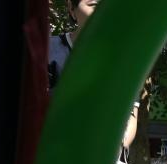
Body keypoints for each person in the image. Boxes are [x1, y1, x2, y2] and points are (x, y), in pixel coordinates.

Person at [48, 1, 139, 149]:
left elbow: (131, 116)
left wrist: (114, 149)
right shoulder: (48, 51)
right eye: (94, 5)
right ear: (71, 8)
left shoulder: (125, 59)